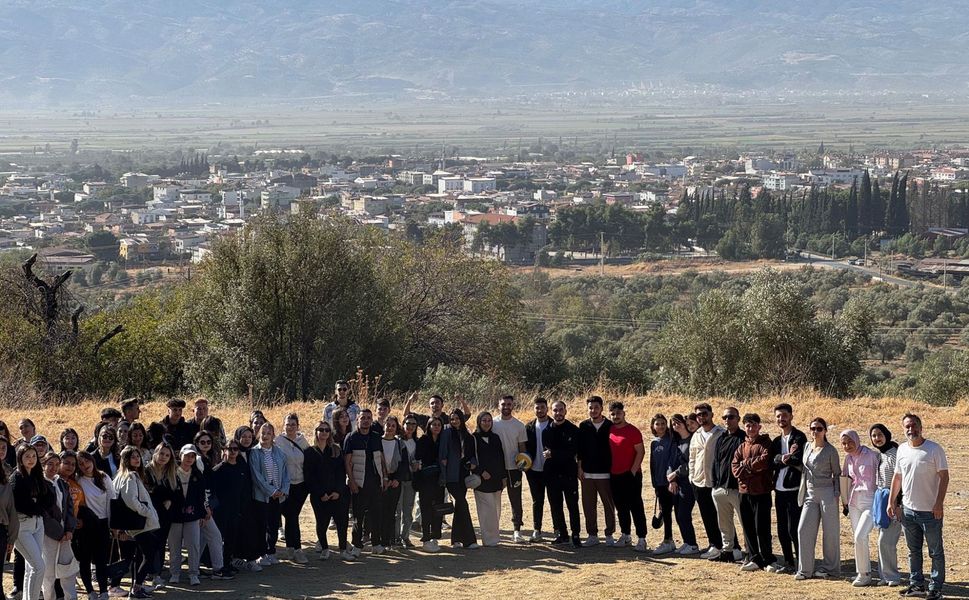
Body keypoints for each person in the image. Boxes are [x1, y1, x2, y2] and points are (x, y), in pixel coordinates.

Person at [889, 413, 948, 600]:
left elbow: (944, 477)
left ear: (921, 427)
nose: (910, 430)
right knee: (913, 551)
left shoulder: (934, 449)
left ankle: (936, 588)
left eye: (913, 426)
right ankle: (916, 585)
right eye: (907, 426)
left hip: (931, 511)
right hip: (908, 510)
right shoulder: (902, 450)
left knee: (935, 551)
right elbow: (898, 477)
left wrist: (939, 503)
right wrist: (892, 501)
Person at [795, 417, 841, 580]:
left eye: (819, 428)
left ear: (825, 431)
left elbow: (837, 474)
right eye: (813, 428)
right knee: (803, 529)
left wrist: (837, 495)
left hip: (828, 493)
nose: (815, 432)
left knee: (830, 533)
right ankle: (805, 569)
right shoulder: (807, 446)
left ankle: (831, 569)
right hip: (810, 493)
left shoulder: (831, 450)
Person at [114, 446, 161, 599]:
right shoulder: (129, 476)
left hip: (133, 524)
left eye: (138, 456)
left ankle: (135, 585)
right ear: (126, 460)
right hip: (139, 523)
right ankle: (137, 587)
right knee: (149, 553)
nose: (137, 459)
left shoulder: (121, 476)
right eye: (133, 457)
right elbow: (131, 501)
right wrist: (147, 512)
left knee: (139, 556)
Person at [731, 413, 777, 572]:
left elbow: (763, 462)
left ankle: (768, 559)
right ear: (744, 427)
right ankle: (754, 558)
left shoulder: (766, 443)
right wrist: (749, 468)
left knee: (762, 528)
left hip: (761, 491)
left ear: (759, 427)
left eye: (753, 425)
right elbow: (735, 468)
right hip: (744, 492)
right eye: (747, 425)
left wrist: (746, 466)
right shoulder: (741, 446)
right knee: (748, 527)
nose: (750, 428)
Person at [12, 444, 55, 600]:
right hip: (22, 526)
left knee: (32, 567)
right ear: (20, 459)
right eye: (27, 456)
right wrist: (37, 504)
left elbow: (49, 498)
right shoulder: (16, 477)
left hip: (38, 524)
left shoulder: (37, 476)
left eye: (33, 456)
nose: (31, 460)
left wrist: (37, 504)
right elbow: (22, 504)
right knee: (39, 566)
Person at [304, 420, 352, 560]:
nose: (324, 432)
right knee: (322, 522)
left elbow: (341, 473)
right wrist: (320, 493)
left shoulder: (336, 450)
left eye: (326, 430)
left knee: (341, 522)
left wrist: (338, 491)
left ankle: (343, 549)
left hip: (338, 494)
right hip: (320, 496)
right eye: (321, 429)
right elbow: (309, 476)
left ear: (330, 433)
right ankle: (325, 549)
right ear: (316, 432)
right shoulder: (309, 452)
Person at [769, 403, 806, 574]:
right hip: (779, 489)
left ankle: (801, 562)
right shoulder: (776, 441)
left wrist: (786, 458)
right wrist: (785, 457)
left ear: (791, 416)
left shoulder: (799, 437)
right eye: (778, 416)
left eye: (784, 415)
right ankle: (788, 562)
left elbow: (798, 460)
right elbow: (771, 460)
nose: (781, 419)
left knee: (794, 528)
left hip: (793, 489)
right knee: (782, 529)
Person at [840, 428, 880, 587]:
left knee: (860, 536)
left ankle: (865, 574)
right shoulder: (848, 458)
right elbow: (845, 479)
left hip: (870, 500)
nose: (847, 445)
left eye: (850, 442)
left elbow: (880, 476)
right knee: (858, 539)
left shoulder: (871, 455)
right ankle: (862, 572)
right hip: (854, 502)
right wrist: (844, 501)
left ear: (856, 440)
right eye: (844, 443)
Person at [607, 402, 648, 552]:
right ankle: (626, 535)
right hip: (614, 474)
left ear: (624, 413)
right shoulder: (609, 429)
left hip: (631, 475)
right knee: (621, 507)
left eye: (618, 413)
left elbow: (640, 452)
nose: (616, 416)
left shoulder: (633, 431)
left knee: (636, 507)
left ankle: (642, 538)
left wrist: (632, 471)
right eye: (613, 414)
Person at [75, 450, 116, 599]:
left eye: (86, 461)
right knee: (85, 559)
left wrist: (113, 525)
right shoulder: (78, 480)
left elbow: (112, 501)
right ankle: (90, 591)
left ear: (92, 460)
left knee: (101, 559)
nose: (85, 465)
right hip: (86, 525)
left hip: (103, 523)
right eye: (80, 463)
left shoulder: (104, 477)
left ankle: (104, 590)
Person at [577, 395, 615, 547]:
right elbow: (580, 450)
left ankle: (610, 534)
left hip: (605, 473)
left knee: (608, 505)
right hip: (587, 473)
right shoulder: (583, 426)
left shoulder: (610, 426)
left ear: (602, 408)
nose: (593, 410)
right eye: (590, 408)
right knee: (588, 505)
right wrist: (579, 468)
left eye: (596, 407)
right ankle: (592, 535)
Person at [688, 402, 724, 560]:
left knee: (723, 516)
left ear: (711, 414)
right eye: (698, 415)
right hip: (698, 481)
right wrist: (691, 475)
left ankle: (730, 546)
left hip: (715, 481)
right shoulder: (696, 435)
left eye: (704, 414)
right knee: (707, 516)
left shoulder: (721, 433)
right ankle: (714, 544)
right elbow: (692, 457)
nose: (701, 417)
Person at [490, 394, 528, 544]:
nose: (506, 407)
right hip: (497, 469)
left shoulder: (519, 425)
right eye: (503, 404)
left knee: (515, 500)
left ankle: (517, 530)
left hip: (514, 469)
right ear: (498, 405)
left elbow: (522, 448)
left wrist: (523, 464)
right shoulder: (492, 423)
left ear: (513, 406)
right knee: (494, 500)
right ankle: (493, 531)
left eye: (509, 404)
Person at [250, 423, 290, 566]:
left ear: (273, 435)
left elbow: (286, 473)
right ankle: (261, 553)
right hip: (262, 496)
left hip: (278, 496)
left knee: (274, 524)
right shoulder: (254, 453)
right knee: (262, 525)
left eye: (268, 433)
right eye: (263, 433)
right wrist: (271, 491)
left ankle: (271, 551)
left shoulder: (279, 452)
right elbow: (257, 476)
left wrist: (283, 490)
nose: (265, 436)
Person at [543, 401, 581, 547]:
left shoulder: (573, 430)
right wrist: (558, 454)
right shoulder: (547, 431)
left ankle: (576, 534)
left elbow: (572, 452)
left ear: (565, 411)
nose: (558, 413)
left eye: (560, 410)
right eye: (555, 410)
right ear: (550, 412)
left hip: (569, 474)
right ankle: (562, 534)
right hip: (552, 474)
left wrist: (554, 453)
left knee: (572, 505)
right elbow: (548, 452)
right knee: (555, 506)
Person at [438, 409, 477, 549]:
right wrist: (443, 471)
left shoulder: (468, 436)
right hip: (451, 475)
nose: (454, 421)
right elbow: (442, 453)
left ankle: (456, 540)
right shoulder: (447, 433)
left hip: (464, 474)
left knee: (460, 505)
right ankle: (470, 540)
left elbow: (472, 455)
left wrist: (473, 463)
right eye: (452, 419)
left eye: (457, 418)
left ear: (461, 419)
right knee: (462, 503)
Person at [210, 439, 252, 573]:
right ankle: (218, 565)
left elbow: (246, 489)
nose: (233, 452)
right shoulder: (217, 470)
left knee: (231, 538)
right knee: (218, 539)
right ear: (224, 450)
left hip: (236, 510)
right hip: (221, 511)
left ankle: (228, 562)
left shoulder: (242, 468)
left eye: (235, 449)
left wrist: (243, 507)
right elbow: (212, 492)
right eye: (230, 449)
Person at [711, 406, 745, 563]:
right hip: (720, 487)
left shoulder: (744, 438)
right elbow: (716, 461)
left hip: (737, 488)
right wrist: (715, 483)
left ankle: (751, 552)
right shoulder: (721, 438)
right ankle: (727, 551)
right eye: (724, 417)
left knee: (745, 522)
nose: (727, 420)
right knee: (724, 523)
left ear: (738, 419)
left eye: (731, 417)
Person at [869, 423, 902, 587]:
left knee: (886, 540)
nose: (877, 438)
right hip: (881, 499)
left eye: (879, 434)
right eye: (874, 436)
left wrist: (898, 504)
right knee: (882, 539)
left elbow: (900, 479)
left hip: (893, 500)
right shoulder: (881, 455)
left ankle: (893, 576)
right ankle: (885, 575)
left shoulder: (895, 453)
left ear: (887, 434)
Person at [168, 445, 206, 586]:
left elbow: (201, 497)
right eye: (187, 455)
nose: (189, 459)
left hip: (193, 516)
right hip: (175, 516)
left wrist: (202, 514)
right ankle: (175, 573)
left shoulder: (197, 475)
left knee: (193, 546)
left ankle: (194, 574)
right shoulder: (172, 473)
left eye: (192, 456)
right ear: (181, 456)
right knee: (174, 546)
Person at [275, 413, 310, 563]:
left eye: (293, 425)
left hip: (301, 485)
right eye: (287, 424)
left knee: (292, 515)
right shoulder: (278, 441)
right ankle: (297, 548)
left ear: (298, 426)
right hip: (285, 485)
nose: (290, 427)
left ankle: (292, 547)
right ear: (283, 426)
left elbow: (309, 461)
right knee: (291, 515)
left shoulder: (303, 441)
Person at [144, 443, 178, 584]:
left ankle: (157, 574)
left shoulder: (170, 473)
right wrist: (165, 496)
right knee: (149, 544)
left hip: (164, 515)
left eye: (167, 455)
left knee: (161, 543)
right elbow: (149, 493)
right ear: (155, 453)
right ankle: (147, 572)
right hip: (149, 514)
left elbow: (176, 493)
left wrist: (169, 498)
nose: (163, 457)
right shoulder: (146, 470)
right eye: (161, 453)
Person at [472, 411, 507, 547]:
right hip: (482, 480)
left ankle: (494, 537)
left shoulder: (495, 437)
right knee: (487, 510)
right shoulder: (474, 438)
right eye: (484, 420)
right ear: (479, 422)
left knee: (496, 509)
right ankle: (488, 539)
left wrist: (504, 477)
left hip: (497, 479)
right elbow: (470, 459)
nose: (486, 423)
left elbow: (501, 457)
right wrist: (480, 472)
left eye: (489, 421)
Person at [667, 414, 699, 555]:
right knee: (678, 515)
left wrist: (676, 474)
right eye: (673, 424)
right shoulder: (676, 441)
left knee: (684, 514)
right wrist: (672, 479)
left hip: (689, 484)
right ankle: (686, 542)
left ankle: (692, 544)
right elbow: (670, 462)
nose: (676, 425)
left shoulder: (692, 440)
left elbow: (691, 463)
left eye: (678, 422)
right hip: (676, 484)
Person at [376, 416, 409, 550]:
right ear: (384, 426)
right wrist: (383, 479)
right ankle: (376, 540)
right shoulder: (377, 442)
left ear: (396, 428)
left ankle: (387, 541)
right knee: (378, 511)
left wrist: (396, 479)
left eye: (393, 426)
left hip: (395, 482)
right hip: (379, 481)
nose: (390, 428)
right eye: (388, 425)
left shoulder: (400, 444)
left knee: (390, 513)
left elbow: (404, 464)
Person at [414, 416, 445, 552]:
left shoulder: (443, 440)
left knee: (438, 509)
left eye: (439, 424)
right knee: (425, 509)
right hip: (425, 480)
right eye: (434, 424)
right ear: (429, 426)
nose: (436, 427)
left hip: (439, 479)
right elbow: (418, 458)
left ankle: (435, 537)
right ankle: (426, 537)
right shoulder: (423, 440)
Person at [524, 397, 552, 542]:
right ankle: (537, 530)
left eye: (542, 407)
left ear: (547, 408)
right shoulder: (528, 427)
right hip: (533, 471)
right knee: (537, 501)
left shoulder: (554, 425)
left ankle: (558, 530)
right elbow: (524, 448)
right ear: (534, 409)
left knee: (555, 501)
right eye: (537, 407)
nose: (540, 410)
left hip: (551, 471)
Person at [649, 414, 676, 554]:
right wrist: (654, 482)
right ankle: (668, 539)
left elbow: (671, 461)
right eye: (657, 424)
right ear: (653, 426)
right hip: (658, 483)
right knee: (665, 512)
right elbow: (652, 464)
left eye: (663, 423)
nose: (660, 426)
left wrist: (671, 479)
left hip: (670, 482)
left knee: (671, 511)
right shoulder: (654, 442)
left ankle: (668, 539)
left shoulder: (671, 440)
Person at [395, 416, 420, 548]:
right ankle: (396, 537)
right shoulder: (397, 441)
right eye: (408, 423)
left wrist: (418, 465)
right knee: (397, 511)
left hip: (411, 480)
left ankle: (405, 537)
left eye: (413, 424)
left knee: (408, 509)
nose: (410, 426)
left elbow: (420, 458)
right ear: (403, 424)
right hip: (399, 479)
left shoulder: (417, 441)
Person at [0, 439, 18, 600]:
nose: (1, 450)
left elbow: (11, 508)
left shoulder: (8, 471)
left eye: (4, 447)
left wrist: (11, 537)